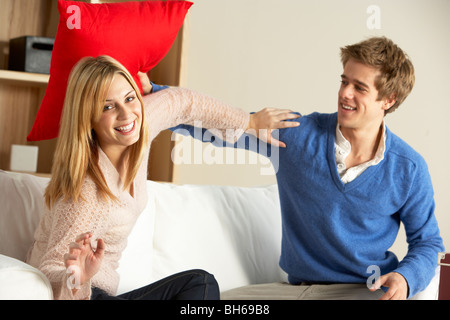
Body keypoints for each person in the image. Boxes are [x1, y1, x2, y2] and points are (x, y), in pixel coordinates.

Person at [169, 37, 444, 300]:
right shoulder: (298, 136)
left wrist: (406, 278)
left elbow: (428, 242)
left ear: (389, 100)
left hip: (362, 291)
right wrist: (149, 97)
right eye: (344, 81)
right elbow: (215, 127)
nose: (345, 94)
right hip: (295, 291)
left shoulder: (409, 169)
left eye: (359, 88)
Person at [25, 55, 299, 300]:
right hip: (86, 296)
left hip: (110, 294)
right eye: (108, 107)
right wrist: (77, 279)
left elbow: (182, 103)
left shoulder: (139, 127)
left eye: (129, 98)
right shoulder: (85, 192)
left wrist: (248, 122)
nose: (125, 114)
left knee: (199, 284)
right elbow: (50, 268)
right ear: (88, 118)